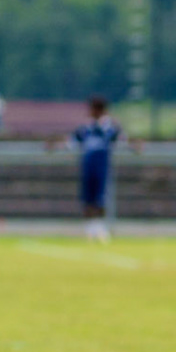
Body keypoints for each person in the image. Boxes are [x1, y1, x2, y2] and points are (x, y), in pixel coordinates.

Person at [57, 96, 135, 243]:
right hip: (87, 167)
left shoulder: (110, 128)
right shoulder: (85, 129)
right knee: (88, 198)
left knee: (101, 199)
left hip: (102, 167)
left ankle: (100, 228)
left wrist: (134, 147)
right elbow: (70, 143)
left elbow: (123, 141)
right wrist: (56, 146)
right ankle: (90, 229)